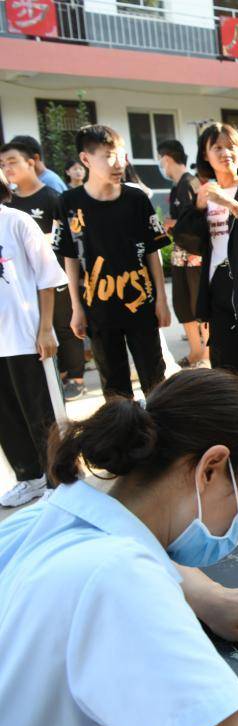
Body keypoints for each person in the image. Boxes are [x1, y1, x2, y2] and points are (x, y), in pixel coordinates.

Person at [0, 368, 238, 726]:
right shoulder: (120, 582)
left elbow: (134, 556)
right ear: (210, 468)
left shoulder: (51, 513)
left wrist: (205, 595)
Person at [56, 125, 171, 401]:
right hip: (99, 307)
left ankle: (164, 433)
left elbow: (153, 251)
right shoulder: (69, 202)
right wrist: (76, 307)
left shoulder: (136, 199)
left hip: (140, 302)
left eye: (121, 155)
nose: (119, 163)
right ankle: (125, 439)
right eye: (108, 156)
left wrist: (161, 300)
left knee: (154, 377)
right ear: (86, 159)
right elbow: (70, 258)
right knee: (114, 384)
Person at [171, 123, 238, 395]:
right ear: (205, 155)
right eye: (217, 147)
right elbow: (186, 240)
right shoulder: (203, 197)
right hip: (218, 289)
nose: (225, 152)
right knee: (225, 372)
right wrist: (197, 208)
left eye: (231, 146)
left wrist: (231, 204)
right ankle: (233, 428)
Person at [1, 140, 86, 399]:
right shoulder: (13, 203)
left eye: (12, 161)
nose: (7, 167)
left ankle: (77, 376)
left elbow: (68, 238)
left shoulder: (49, 197)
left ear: (33, 161)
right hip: (21, 290)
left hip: (50, 277)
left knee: (62, 326)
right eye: (3, 164)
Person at [0, 181, 67, 507]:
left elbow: (47, 277)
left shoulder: (16, 221)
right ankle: (30, 477)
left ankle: (60, 480)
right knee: (6, 418)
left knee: (41, 414)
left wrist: (45, 328)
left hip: (25, 337)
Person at [158, 139, 208, 370]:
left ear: (166, 158)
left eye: (161, 160)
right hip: (180, 255)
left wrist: (174, 224)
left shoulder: (192, 183)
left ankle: (206, 350)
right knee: (182, 304)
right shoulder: (176, 186)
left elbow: (200, 219)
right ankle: (195, 350)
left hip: (196, 256)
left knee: (199, 304)